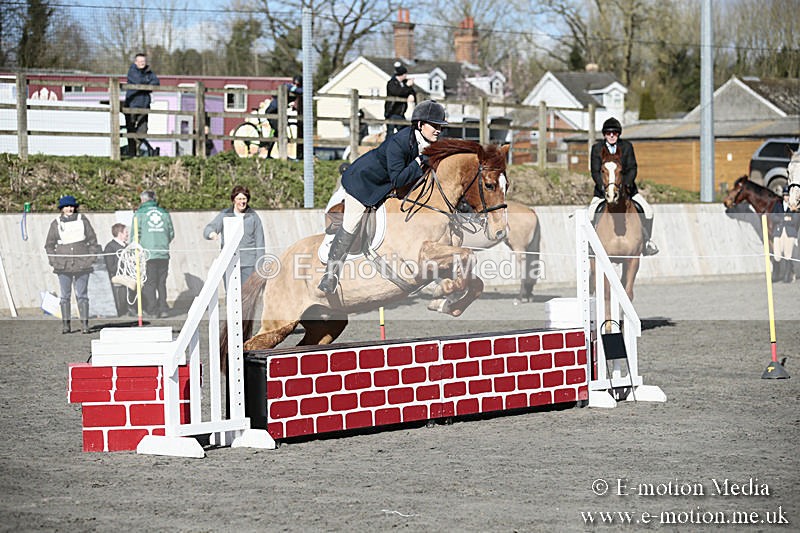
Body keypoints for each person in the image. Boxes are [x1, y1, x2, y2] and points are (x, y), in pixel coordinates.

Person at [317, 100, 447, 294]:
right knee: (352, 223)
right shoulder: (399, 142)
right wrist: (419, 161)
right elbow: (398, 178)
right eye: (434, 126)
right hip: (363, 183)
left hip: (386, 186)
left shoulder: (429, 143)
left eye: (440, 127)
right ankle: (330, 274)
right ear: (420, 125)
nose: (438, 130)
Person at [589, 117, 659, 256]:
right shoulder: (597, 148)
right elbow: (595, 171)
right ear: (604, 134)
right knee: (590, 214)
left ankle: (646, 242)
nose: (612, 135)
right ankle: (591, 245)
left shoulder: (627, 147)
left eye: (615, 133)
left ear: (618, 134)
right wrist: (603, 187)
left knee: (648, 210)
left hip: (627, 190)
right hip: (603, 191)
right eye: (609, 133)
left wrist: (625, 184)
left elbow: (632, 168)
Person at [44, 195, 99, 334]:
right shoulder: (55, 223)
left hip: (82, 265)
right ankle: (66, 325)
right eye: (66, 206)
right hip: (63, 266)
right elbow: (49, 245)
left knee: (82, 295)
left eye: (71, 206)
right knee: (65, 296)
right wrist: (54, 261)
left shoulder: (83, 221)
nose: (69, 209)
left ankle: (85, 325)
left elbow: (93, 241)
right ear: (61, 209)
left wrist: (91, 258)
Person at [204, 185, 265, 285]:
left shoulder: (253, 217)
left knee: (246, 296)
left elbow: (260, 243)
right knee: (231, 294)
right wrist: (212, 234)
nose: (242, 202)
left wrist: (259, 266)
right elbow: (208, 229)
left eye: (244, 199)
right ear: (233, 200)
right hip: (228, 262)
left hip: (248, 264)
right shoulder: (225, 214)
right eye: (239, 199)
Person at [134, 190, 174, 318]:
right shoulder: (164, 212)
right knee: (161, 283)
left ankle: (152, 310)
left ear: (143, 200)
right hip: (163, 253)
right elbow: (171, 233)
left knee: (149, 283)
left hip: (148, 253)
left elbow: (135, 233)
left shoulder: (140, 213)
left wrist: (133, 249)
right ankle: (163, 309)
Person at [124, 53, 160, 157]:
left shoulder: (149, 72)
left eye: (143, 61)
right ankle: (132, 153)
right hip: (132, 104)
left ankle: (138, 150)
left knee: (143, 130)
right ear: (135, 62)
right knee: (130, 129)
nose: (141, 63)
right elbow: (138, 81)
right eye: (139, 61)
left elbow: (156, 82)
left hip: (144, 105)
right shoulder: (132, 71)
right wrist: (147, 83)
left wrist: (146, 84)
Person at [103, 223, 134, 317]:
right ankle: (125, 309)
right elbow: (111, 267)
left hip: (128, 274)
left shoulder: (127, 246)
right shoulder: (110, 247)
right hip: (117, 276)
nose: (128, 235)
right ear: (120, 234)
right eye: (126, 232)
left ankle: (133, 307)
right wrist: (125, 262)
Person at [770, 186, 800, 283]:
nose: (786, 197)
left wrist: (785, 220)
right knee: (777, 254)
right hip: (779, 231)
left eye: (788, 195)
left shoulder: (793, 206)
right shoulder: (778, 205)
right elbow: (773, 216)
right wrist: (783, 219)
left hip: (789, 231)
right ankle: (776, 274)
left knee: (788, 254)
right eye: (785, 195)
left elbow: (795, 220)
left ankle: (788, 275)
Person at [384, 62, 416, 139]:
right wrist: (407, 86)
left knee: (404, 131)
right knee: (391, 133)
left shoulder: (403, 83)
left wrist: (411, 94)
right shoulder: (392, 83)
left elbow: (411, 91)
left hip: (401, 113)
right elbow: (397, 92)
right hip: (392, 111)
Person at [288, 74, 304, 159]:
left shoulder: (301, 89)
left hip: (301, 114)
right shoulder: (291, 87)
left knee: (301, 134)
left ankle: (301, 154)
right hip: (295, 113)